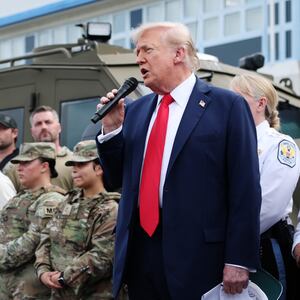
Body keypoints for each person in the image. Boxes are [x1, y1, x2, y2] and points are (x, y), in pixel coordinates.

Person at [96, 22, 262, 300]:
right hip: (141, 254)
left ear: (179, 54)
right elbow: (115, 180)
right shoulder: (135, 111)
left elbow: (245, 187)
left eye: (148, 50)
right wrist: (112, 130)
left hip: (200, 257)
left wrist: (239, 259)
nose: (139, 59)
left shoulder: (226, 106)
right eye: (137, 52)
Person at [230, 73, 300, 300]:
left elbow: (267, 207)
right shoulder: (227, 142)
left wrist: (224, 243)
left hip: (263, 248)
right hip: (225, 247)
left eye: (237, 99)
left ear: (261, 103)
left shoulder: (279, 145)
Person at [35, 140, 121, 300]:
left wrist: (63, 277)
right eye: (73, 165)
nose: (74, 170)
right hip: (59, 293)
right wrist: (43, 271)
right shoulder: (66, 202)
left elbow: (102, 255)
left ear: (99, 168)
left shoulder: (110, 208)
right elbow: (46, 238)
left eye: (81, 165)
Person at [0, 142, 66, 299]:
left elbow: (33, 241)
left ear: (44, 166)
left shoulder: (52, 199)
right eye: (19, 163)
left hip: (28, 289)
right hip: (7, 286)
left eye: (26, 163)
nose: (19, 168)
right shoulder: (19, 198)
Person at [5, 105, 73, 192]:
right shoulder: (15, 167)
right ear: (32, 131)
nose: (43, 127)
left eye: (48, 122)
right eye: (38, 124)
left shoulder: (74, 162)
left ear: (59, 127)